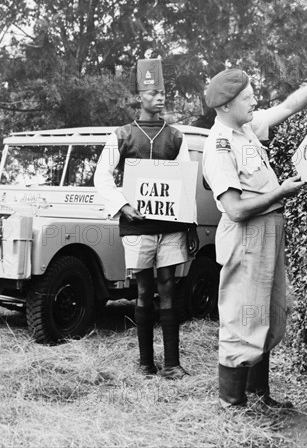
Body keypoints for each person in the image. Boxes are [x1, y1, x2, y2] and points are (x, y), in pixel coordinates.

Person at [202, 67, 307, 407]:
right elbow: (235, 209)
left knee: (266, 312)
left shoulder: (246, 127)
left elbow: (287, 108)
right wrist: (280, 193)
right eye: (246, 98)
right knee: (243, 315)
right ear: (224, 107)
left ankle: (259, 394)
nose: (255, 101)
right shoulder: (219, 146)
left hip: (267, 231)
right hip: (247, 233)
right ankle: (232, 406)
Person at [94, 58, 199, 379]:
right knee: (142, 289)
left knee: (168, 286)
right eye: (153, 92)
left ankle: (171, 363)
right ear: (140, 97)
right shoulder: (123, 135)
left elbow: (183, 182)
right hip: (137, 226)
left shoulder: (176, 137)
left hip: (169, 227)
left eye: (163, 92)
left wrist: (190, 223)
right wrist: (123, 206)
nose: (160, 97)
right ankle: (144, 363)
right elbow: (101, 176)